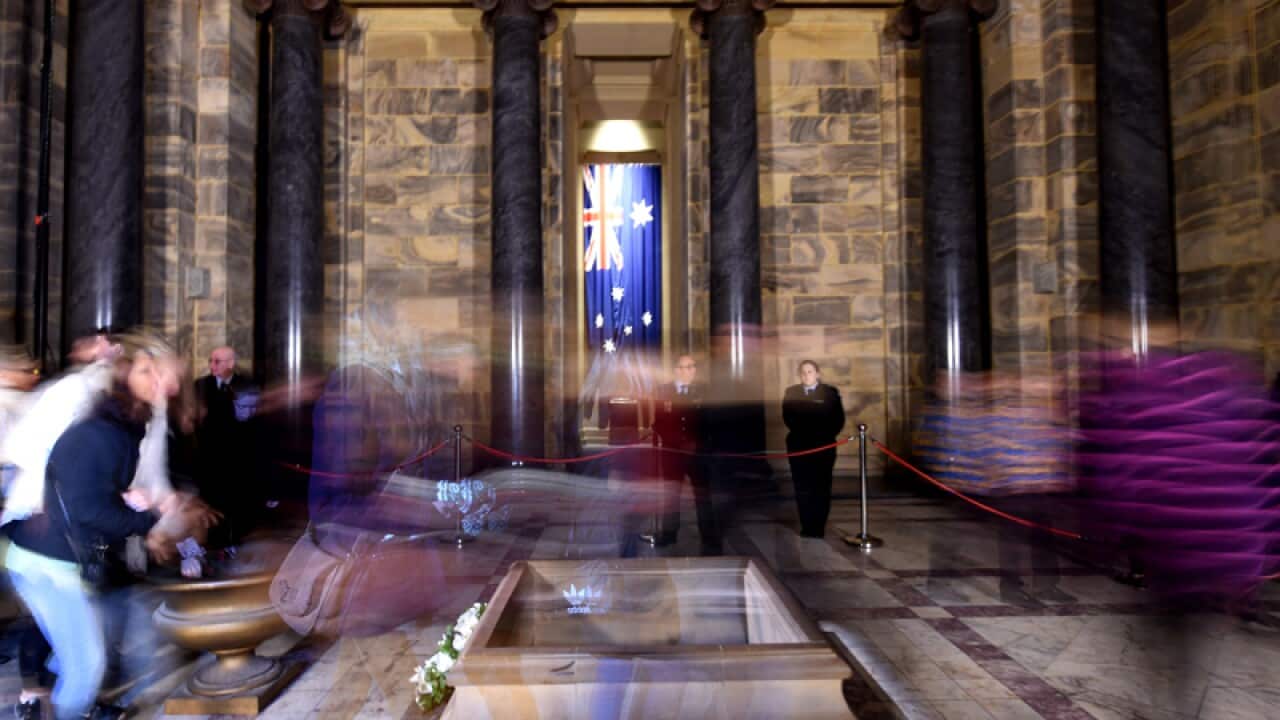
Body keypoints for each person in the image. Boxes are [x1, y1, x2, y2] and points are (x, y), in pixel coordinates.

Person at [4, 337, 215, 720]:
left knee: (87, 646)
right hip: (48, 559)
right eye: (147, 371)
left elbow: (103, 486)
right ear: (124, 371)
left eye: (167, 375)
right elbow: (86, 503)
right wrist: (149, 523)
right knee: (86, 665)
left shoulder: (128, 426)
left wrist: (147, 502)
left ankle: (48, 703)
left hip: (67, 557)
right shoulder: (100, 428)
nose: (160, 382)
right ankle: (54, 702)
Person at [192, 346, 261, 546]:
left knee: (236, 505)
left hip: (237, 457)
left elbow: (253, 423)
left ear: (231, 363)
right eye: (210, 361)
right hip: (209, 456)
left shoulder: (246, 386)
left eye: (217, 361)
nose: (212, 365)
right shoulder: (200, 386)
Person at [651, 354, 710, 548]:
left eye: (692, 367)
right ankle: (669, 534)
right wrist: (676, 442)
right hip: (672, 452)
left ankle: (709, 536)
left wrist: (697, 442)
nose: (689, 371)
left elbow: (709, 422)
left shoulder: (703, 391)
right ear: (677, 369)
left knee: (702, 495)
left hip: (697, 453)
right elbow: (658, 422)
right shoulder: (663, 390)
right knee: (671, 495)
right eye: (685, 367)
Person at [782, 360, 845, 539]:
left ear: (817, 374)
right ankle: (807, 526)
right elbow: (789, 418)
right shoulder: (791, 392)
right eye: (803, 372)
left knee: (821, 487)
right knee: (802, 487)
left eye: (810, 372)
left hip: (823, 447)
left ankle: (818, 527)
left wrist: (816, 431)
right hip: (799, 447)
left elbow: (837, 420)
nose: (806, 375)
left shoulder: (830, 393)